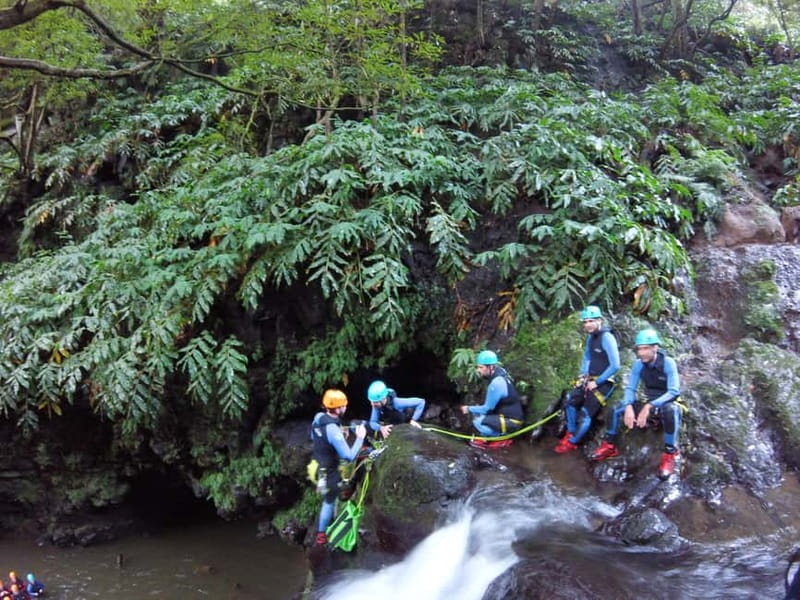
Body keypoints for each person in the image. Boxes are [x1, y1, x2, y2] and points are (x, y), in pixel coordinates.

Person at [591, 328, 683, 479]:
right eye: (639, 349)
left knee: (671, 411)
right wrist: (628, 406)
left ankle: (669, 453)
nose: (641, 353)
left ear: (655, 348)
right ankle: (609, 445)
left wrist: (649, 406)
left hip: (665, 402)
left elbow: (673, 391)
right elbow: (631, 388)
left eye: (645, 348)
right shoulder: (638, 365)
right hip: (649, 401)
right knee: (615, 408)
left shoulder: (668, 363)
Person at [554, 305, 620, 453]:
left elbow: (615, 365)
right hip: (589, 378)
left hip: (604, 382)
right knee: (570, 402)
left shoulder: (607, 338)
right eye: (585, 322)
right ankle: (570, 432)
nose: (588, 325)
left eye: (591, 321)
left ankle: (572, 442)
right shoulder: (591, 338)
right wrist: (583, 375)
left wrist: (597, 382)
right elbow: (587, 357)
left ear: (599, 321)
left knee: (585, 413)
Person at [310, 388, 367, 546]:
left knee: (329, 493)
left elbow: (313, 436)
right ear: (337, 408)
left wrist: (337, 438)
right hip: (329, 471)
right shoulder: (333, 429)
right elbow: (348, 456)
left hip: (317, 465)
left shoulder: (318, 417)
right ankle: (321, 536)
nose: (345, 407)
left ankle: (336, 491)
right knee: (329, 502)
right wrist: (360, 438)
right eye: (343, 405)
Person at [460, 350, 524, 448]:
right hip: (508, 416)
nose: (478, 370)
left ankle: (501, 438)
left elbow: (487, 409)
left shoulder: (496, 383)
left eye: (481, 367)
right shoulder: (501, 373)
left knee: (477, 421)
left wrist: (468, 408)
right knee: (478, 413)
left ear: (491, 367)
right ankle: (487, 437)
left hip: (512, 422)